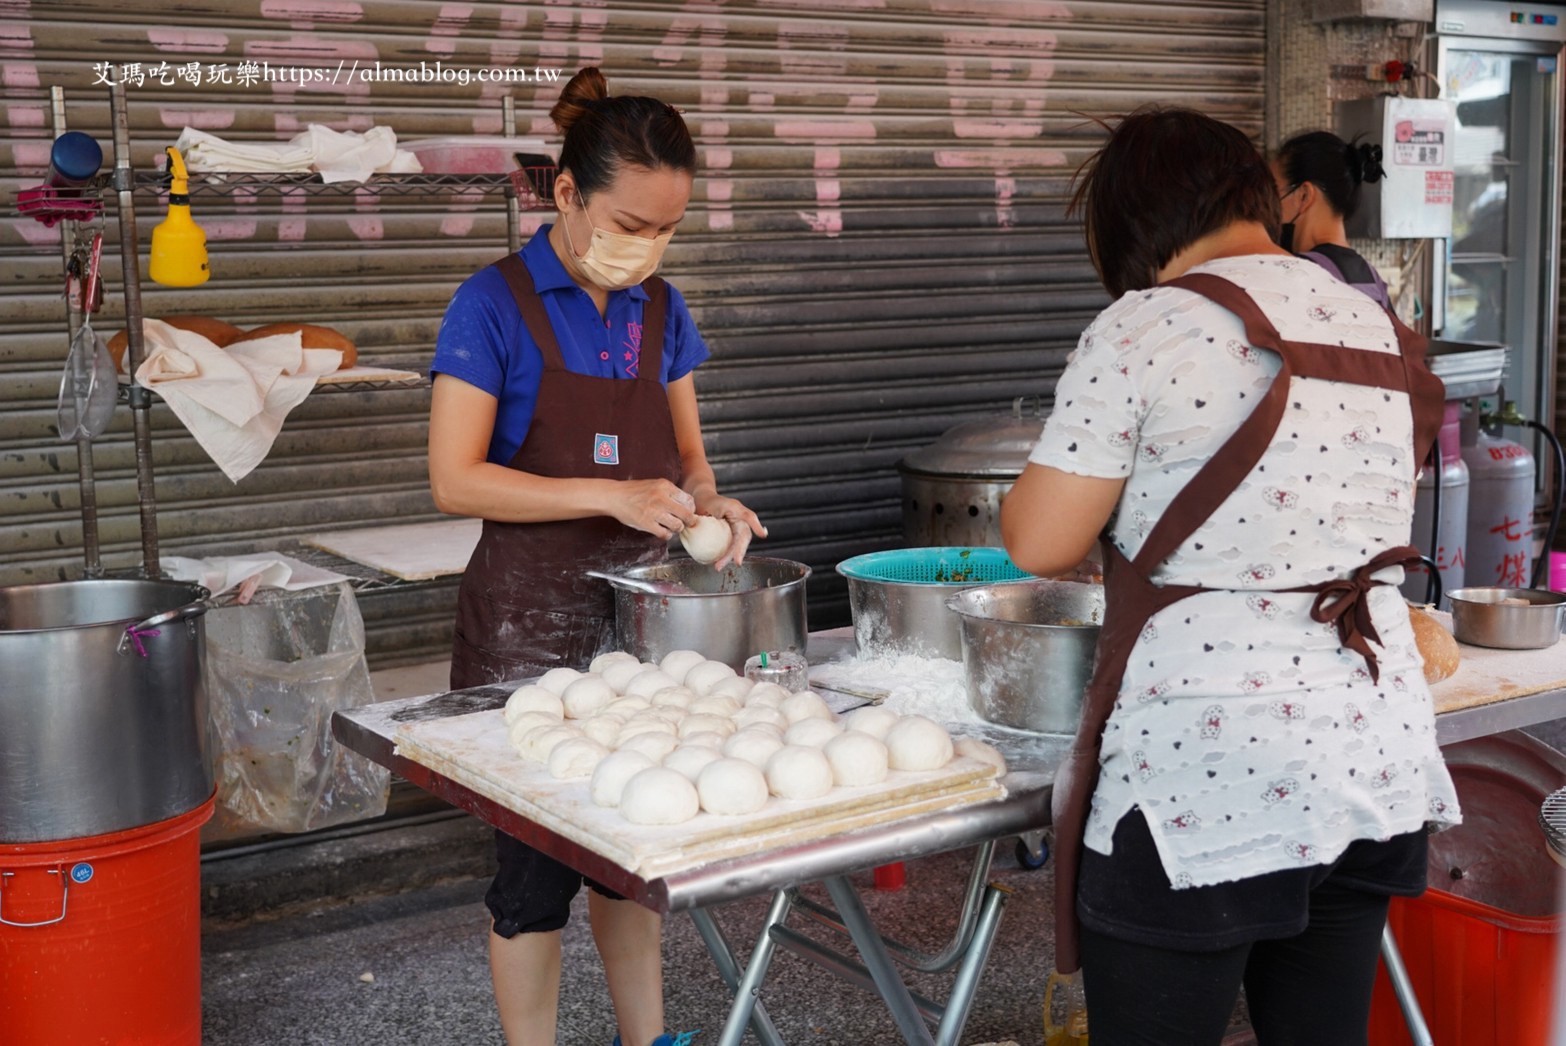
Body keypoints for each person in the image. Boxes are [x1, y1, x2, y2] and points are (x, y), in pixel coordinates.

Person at [1001, 107, 1462, 1046]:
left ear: (1132, 226)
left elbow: (1040, 544)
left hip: (1205, 776)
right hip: (1367, 747)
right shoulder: (1372, 319)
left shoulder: (1146, 325)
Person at [427, 66, 763, 1046]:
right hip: (527, 631)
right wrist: (606, 493)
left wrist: (713, 504)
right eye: (629, 223)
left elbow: (689, 460)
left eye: (665, 229)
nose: (645, 248)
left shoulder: (662, 311)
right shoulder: (489, 306)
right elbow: (456, 478)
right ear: (566, 194)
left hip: (642, 623)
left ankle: (647, 1037)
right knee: (533, 877)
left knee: (634, 852)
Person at [1272, 130, 1392, 308]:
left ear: (1304, 195)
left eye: (1272, 191)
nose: (1265, 204)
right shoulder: (1372, 278)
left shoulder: (1297, 274)